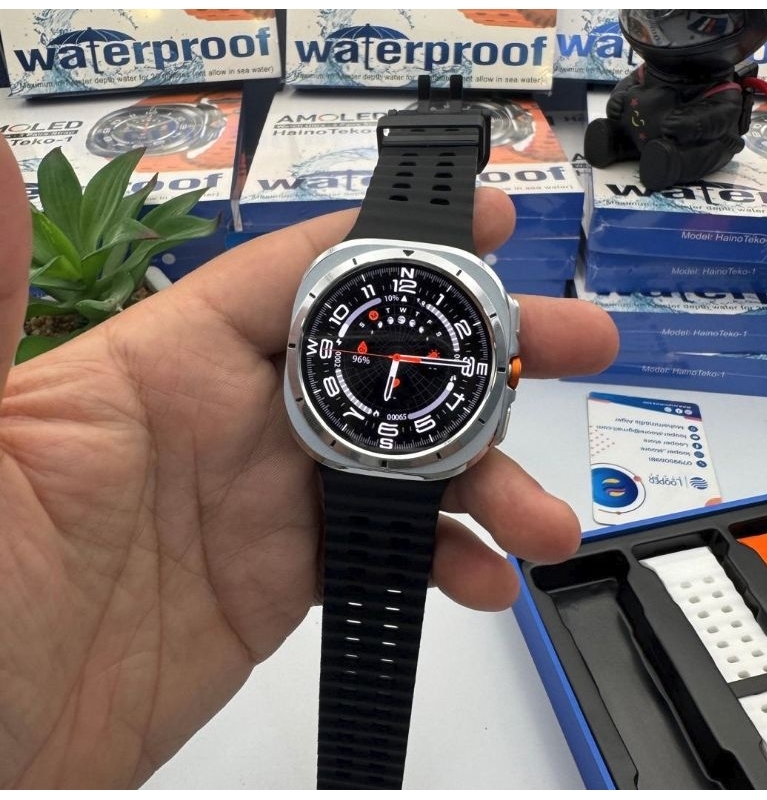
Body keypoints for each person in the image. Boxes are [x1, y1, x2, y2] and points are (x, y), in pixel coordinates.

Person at [0, 134, 618, 788]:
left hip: (386, 464)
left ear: (502, 370)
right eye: (386, 353)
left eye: (409, 357)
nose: (396, 359)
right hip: (354, 459)